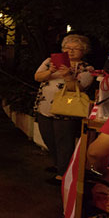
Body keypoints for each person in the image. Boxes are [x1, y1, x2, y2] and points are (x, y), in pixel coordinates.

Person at [34, 34, 94, 183]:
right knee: (48, 138)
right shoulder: (50, 61)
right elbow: (37, 77)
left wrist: (68, 75)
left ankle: (63, 174)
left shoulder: (87, 68)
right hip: (45, 106)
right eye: (68, 48)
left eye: (76, 48)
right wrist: (51, 71)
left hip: (67, 109)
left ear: (84, 50)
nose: (71, 51)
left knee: (64, 141)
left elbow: (78, 88)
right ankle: (59, 165)